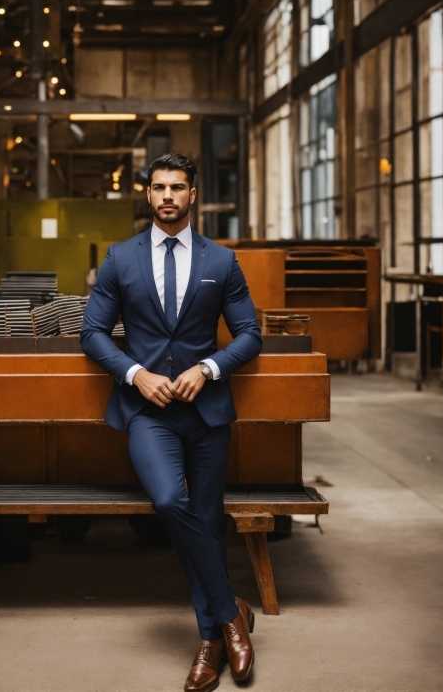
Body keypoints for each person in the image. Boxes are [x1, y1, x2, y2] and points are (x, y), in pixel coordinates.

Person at [80, 153, 262, 692]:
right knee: (166, 500)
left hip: (205, 413)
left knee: (207, 521)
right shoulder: (120, 258)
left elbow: (250, 333)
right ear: (147, 193)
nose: (166, 196)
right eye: (158, 187)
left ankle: (208, 644)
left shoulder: (222, 261)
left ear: (192, 195)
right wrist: (135, 374)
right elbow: (91, 334)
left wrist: (209, 367)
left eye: (176, 187)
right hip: (147, 413)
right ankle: (233, 615)